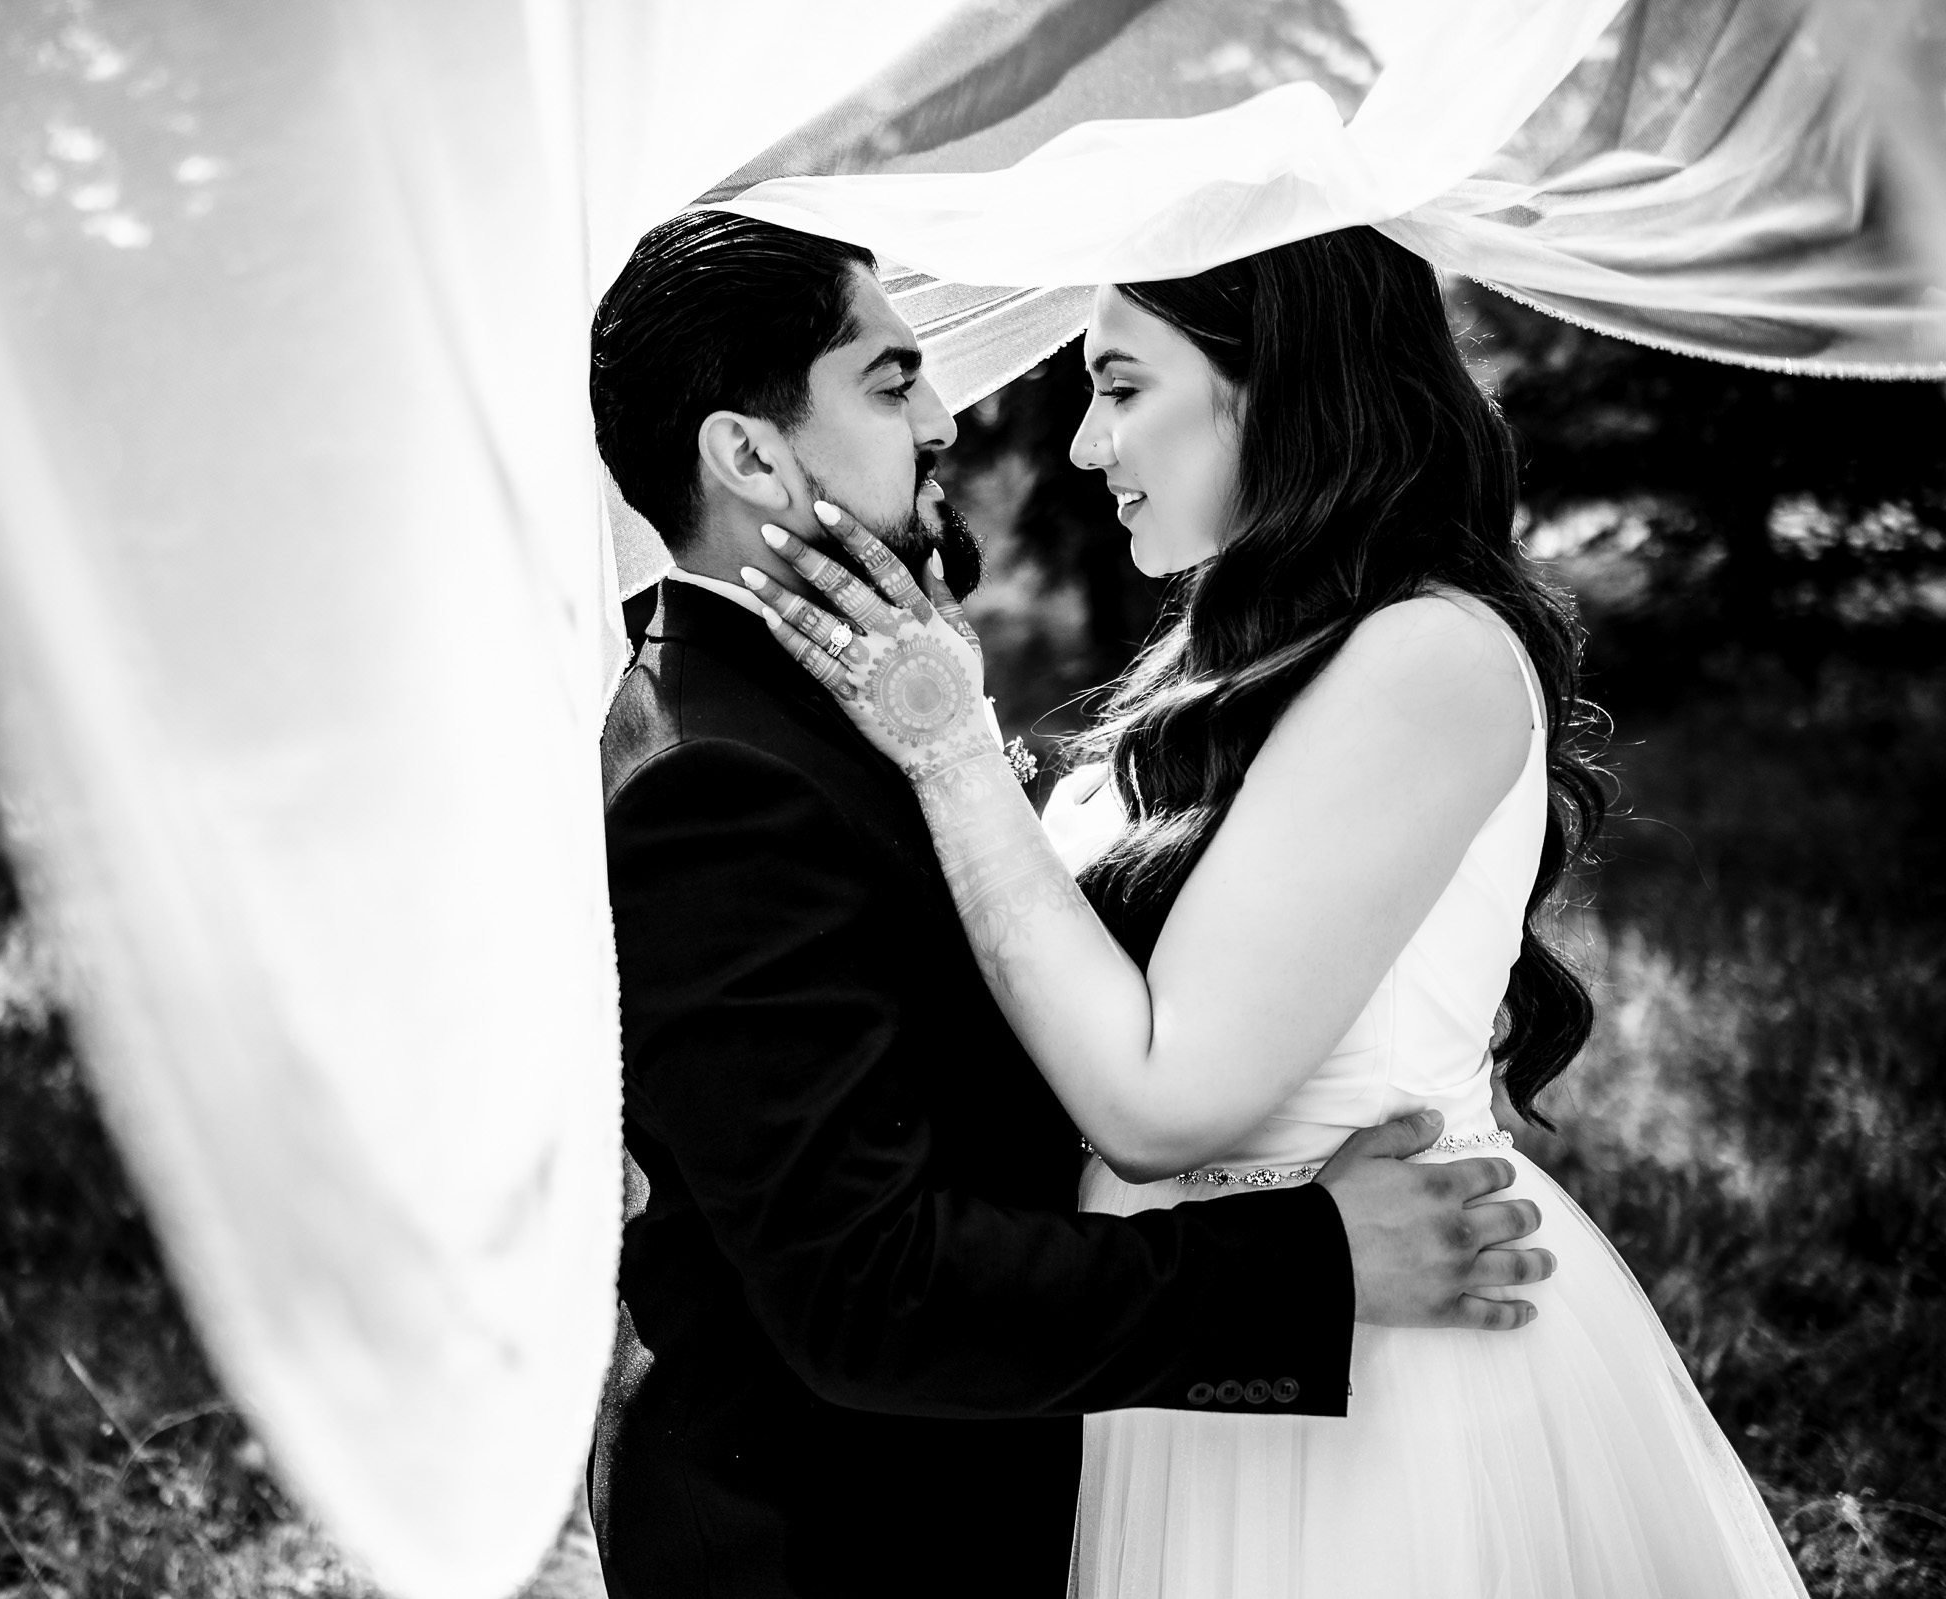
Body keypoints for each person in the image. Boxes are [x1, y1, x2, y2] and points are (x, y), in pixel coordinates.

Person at [752, 225, 1809, 1598]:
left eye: (1123, 387)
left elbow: (1156, 1101)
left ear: (1280, 388)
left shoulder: (1426, 654)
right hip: (1217, 1345)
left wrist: (953, 753)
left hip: (1379, 1371)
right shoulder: (1232, 655)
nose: (1084, 445)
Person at [585, 209, 1558, 1599]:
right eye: (891, 379)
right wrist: (1311, 1266)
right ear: (746, 452)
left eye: (1115, 388)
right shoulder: (720, 778)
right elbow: (867, 1294)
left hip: (1188, 1447)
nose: (949, 421)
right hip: (838, 1537)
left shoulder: (837, 693)